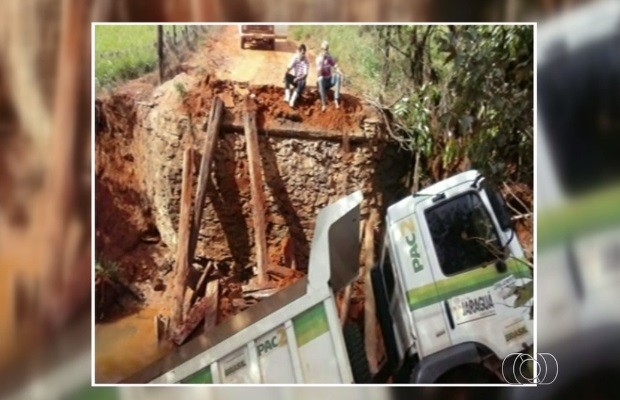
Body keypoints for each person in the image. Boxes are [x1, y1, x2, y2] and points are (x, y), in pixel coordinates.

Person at [316, 40, 342, 112]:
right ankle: (323, 104)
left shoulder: (329, 57)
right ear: (321, 49)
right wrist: (322, 60)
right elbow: (318, 74)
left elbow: (335, 66)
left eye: (326, 49)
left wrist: (340, 72)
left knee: (338, 76)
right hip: (322, 82)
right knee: (320, 78)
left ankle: (336, 99)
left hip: (329, 80)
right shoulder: (318, 59)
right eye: (324, 49)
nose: (325, 51)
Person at [283, 44, 309, 108]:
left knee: (302, 82)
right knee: (287, 76)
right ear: (299, 52)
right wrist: (285, 76)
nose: (303, 55)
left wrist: (298, 78)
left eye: (304, 53)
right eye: (302, 53)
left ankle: (292, 101)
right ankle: (287, 96)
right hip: (295, 79)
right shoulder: (295, 57)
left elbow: (305, 75)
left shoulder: (306, 60)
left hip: (301, 80)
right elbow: (289, 67)